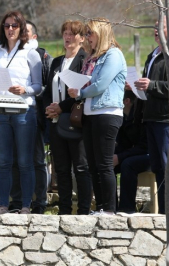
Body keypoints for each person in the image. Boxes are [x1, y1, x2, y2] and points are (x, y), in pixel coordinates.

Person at [68, 17, 127, 216]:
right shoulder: (92, 57)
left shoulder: (113, 55)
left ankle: (110, 209)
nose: (87, 37)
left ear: (101, 33)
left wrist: (80, 93)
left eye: (90, 33)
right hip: (90, 114)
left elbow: (101, 85)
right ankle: (101, 207)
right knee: (93, 165)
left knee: (104, 164)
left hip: (107, 114)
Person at [134, 19, 169, 216]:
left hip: (167, 119)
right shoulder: (153, 55)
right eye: (155, 26)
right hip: (150, 118)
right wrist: (135, 88)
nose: (156, 30)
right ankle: (164, 214)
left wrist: (150, 85)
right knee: (158, 167)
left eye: (161, 26)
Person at [0, 11, 41, 215]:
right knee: (3, 161)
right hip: (0, 109)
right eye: (6, 26)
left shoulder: (31, 52)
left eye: (14, 26)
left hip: (24, 111)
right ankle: (3, 205)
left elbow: (38, 86)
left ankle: (26, 206)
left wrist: (25, 89)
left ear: (21, 28)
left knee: (24, 162)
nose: (10, 29)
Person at [44, 20, 92, 215]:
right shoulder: (56, 62)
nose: (68, 37)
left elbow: (81, 91)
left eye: (73, 33)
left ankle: (83, 210)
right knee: (61, 169)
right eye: (65, 33)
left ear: (81, 38)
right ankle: (63, 210)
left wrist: (60, 108)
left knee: (80, 168)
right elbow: (48, 89)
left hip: (76, 121)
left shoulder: (84, 61)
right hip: (56, 122)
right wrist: (49, 108)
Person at [9, 20, 52, 213]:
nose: (21, 34)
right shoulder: (9, 54)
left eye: (26, 32)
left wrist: (27, 91)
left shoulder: (42, 56)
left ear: (33, 36)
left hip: (36, 114)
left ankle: (39, 202)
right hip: (13, 112)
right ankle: (16, 201)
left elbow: (47, 87)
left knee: (36, 159)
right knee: (16, 159)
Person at [113, 90, 150, 214]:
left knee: (128, 164)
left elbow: (144, 146)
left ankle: (127, 208)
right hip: (135, 153)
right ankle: (111, 207)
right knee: (107, 164)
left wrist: (120, 157)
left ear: (126, 101)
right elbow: (124, 143)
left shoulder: (141, 117)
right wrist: (114, 155)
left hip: (150, 155)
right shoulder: (124, 118)